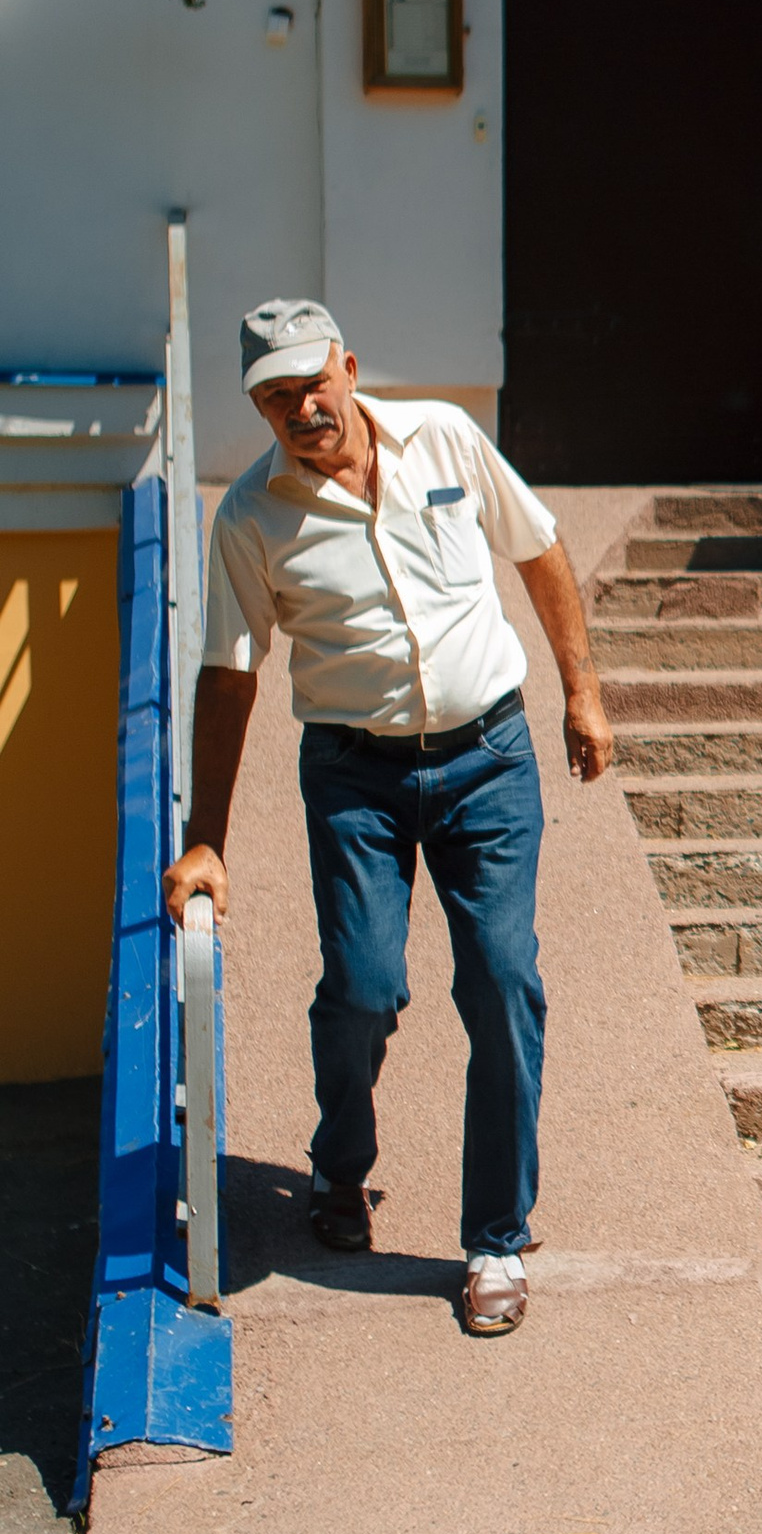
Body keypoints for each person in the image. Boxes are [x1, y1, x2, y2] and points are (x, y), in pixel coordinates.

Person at [160, 300, 614, 1339]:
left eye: (313, 383)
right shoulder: (251, 516)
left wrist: (582, 692)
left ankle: (495, 1238)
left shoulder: (445, 437)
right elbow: (229, 674)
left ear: (350, 368)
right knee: (364, 986)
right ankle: (341, 1163)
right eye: (276, 395)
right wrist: (207, 837)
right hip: (354, 773)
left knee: (502, 979)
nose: (301, 408)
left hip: (488, 755)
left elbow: (539, 549)